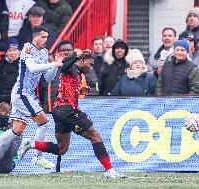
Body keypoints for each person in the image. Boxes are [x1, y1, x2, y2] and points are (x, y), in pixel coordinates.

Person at [19, 44, 126, 179]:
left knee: (61, 148)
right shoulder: (72, 67)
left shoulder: (77, 72)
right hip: (67, 110)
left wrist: (80, 91)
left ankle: (32, 144)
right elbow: (63, 68)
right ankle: (110, 170)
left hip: (58, 111)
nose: (91, 67)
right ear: (82, 60)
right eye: (90, 63)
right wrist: (76, 55)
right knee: (96, 136)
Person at [0, 26, 64, 169]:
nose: (46, 40)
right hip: (21, 93)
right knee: (44, 123)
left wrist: (56, 65)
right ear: (35, 37)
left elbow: (48, 78)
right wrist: (52, 63)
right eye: (43, 37)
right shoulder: (27, 48)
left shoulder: (44, 52)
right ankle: (39, 157)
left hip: (28, 94)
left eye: (46, 37)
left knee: (17, 130)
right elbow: (31, 68)